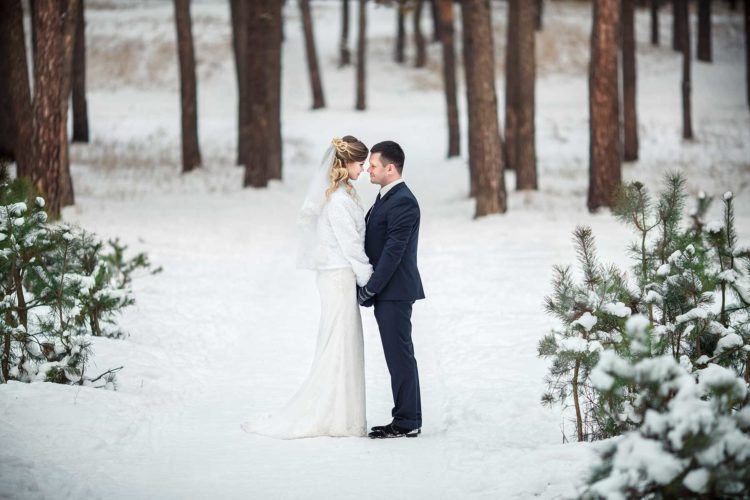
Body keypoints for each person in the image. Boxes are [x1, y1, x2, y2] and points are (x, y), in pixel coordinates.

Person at [242, 135, 372, 439]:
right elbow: (351, 245)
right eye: (360, 163)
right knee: (338, 343)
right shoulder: (338, 200)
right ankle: (334, 415)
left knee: (344, 341)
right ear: (345, 162)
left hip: (340, 275)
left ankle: (343, 412)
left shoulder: (345, 193)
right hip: (338, 276)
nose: (364, 169)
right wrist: (369, 279)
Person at [357, 140, 425, 439]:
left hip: (395, 292)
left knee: (399, 356)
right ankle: (406, 418)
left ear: (390, 167)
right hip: (388, 291)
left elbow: (393, 254)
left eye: (373, 165)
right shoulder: (386, 197)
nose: (368, 170)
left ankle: (408, 421)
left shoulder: (403, 201)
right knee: (395, 355)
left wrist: (370, 289)